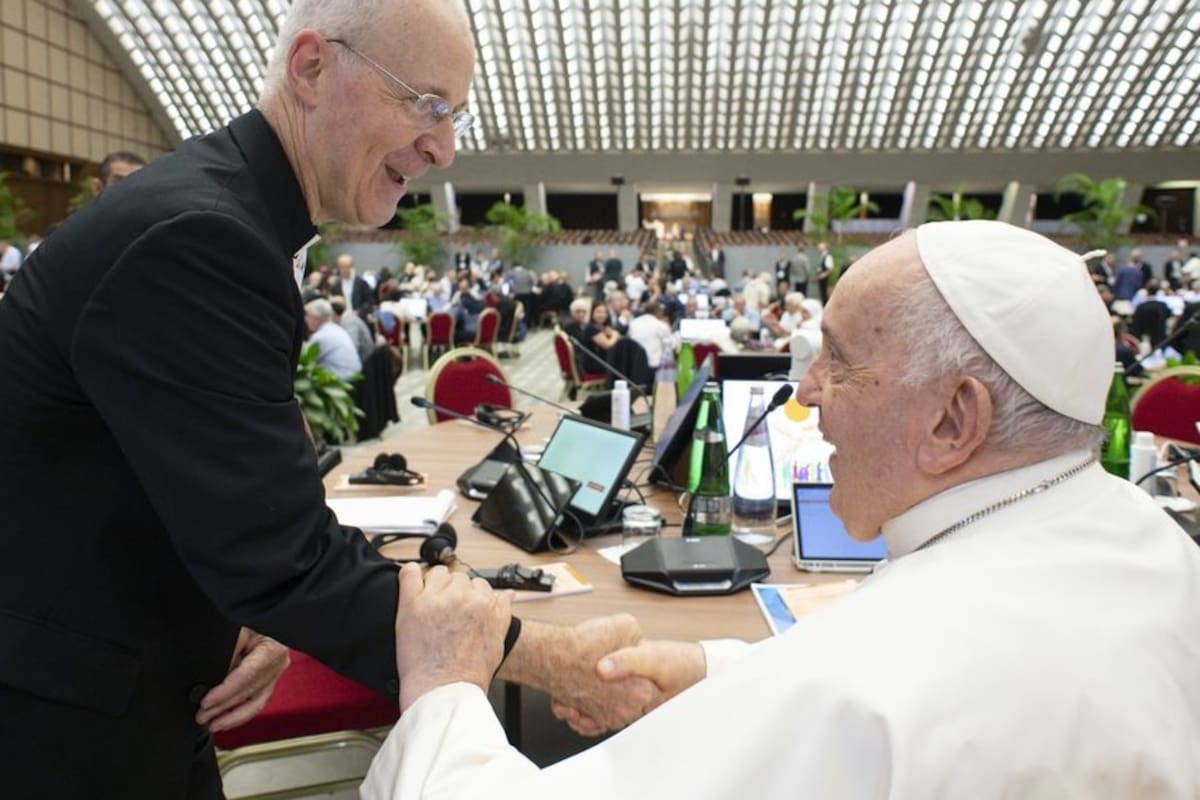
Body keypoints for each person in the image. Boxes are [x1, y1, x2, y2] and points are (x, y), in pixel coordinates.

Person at [0, 1, 655, 796]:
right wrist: (551, 660)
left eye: (456, 117)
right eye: (427, 106)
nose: (443, 148)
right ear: (311, 67)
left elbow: (212, 505)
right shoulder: (197, 238)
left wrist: (259, 605)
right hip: (64, 726)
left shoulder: (223, 213)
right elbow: (283, 556)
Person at [362, 220, 1200, 798]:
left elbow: (855, 691)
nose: (804, 393)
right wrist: (706, 674)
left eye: (838, 360)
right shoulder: (1150, 545)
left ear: (953, 420)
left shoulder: (875, 678)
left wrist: (443, 688)